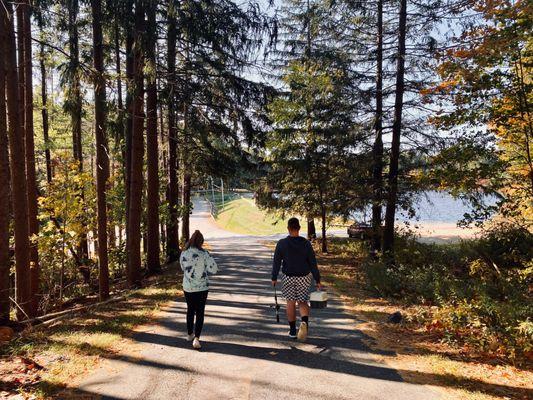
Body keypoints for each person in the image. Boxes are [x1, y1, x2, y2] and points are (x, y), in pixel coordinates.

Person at [271, 217, 321, 341]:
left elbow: (276, 262)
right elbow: (312, 263)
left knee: (290, 302)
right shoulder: (306, 243)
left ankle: (293, 330)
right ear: (299, 228)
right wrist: (317, 279)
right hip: (304, 277)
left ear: (288, 229)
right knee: (303, 302)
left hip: (288, 277)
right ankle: (304, 323)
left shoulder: (282, 243)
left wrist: (274, 277)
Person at [180, 230, 218, 349]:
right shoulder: (205, 254)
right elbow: (214, 269)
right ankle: (197, 338)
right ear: (201, 242)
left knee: (190, 309)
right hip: (202, 287)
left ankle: (189, 334)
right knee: (200, 311)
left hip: (188, 287)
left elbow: (182, 267)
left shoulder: (184, 253)